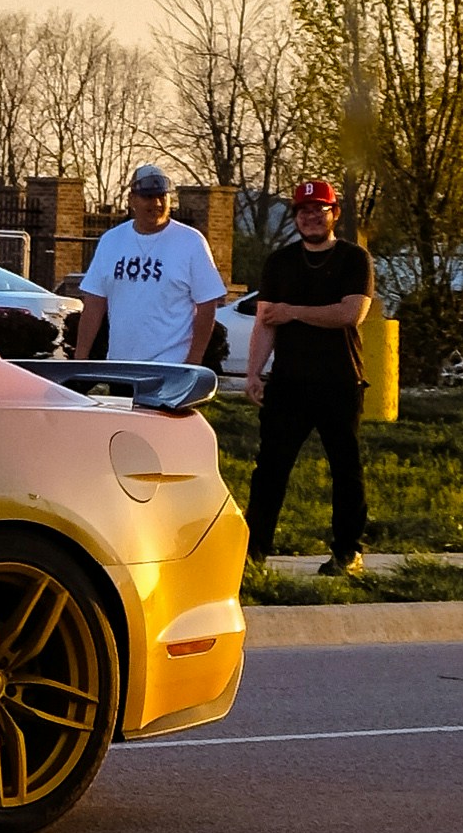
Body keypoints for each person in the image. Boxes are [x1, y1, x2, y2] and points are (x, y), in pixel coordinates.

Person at [243, 178, 375, 578]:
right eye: (303, 211)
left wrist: (293, 312)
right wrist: (253, 372)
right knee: (270, 469)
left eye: (320, 209)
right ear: (295, 217)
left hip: (340, 380)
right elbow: (266, 321)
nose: (311, 217)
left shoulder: (353, 259)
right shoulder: (280, 262)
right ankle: (252, 554)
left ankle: (347, 553)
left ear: (335, 214)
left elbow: (351, 313)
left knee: (345, 469)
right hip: (288, 383)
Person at [75, 164, 225, 367]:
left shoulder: (191, 242)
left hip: (171, 366)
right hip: (120, 365)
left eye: (162, 196)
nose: (156, 203)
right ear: (132, 200)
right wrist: (80, 357)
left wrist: (194, 360)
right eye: (148, 197)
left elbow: (207, 304)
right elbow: (94, 302)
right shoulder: (111, 241)